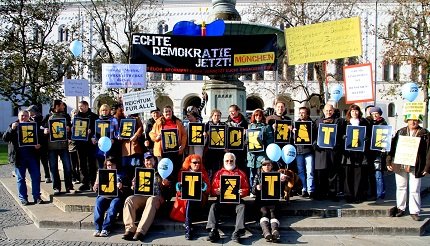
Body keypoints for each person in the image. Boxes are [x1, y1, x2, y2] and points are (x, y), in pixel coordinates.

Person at [386, 114, 430, 221]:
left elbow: (429, 152)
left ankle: (414, 211)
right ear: (407, 121)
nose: (412, 122)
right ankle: (400, 208)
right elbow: (392, 147)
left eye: (415, 120)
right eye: (410, 120)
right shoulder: (401, 132)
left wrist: (427, 167)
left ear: (418, 121)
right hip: (400, 164)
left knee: (415, 189)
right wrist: (388, 161)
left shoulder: (424, 134)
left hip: (416, 165)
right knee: (401, 187)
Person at [122, 152, 170, 241]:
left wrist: (165, 185)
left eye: (150, 159)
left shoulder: (161, 171)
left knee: (151, 199)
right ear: (144, 162)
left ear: (155, 161)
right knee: (129, 199)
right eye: (147, 160)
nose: (149, 162)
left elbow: (169, 192)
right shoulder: (140, 172)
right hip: (143, 196)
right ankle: (129, 229)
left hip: (156, 198)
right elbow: (133, 187)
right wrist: (133, 186)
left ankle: (140, 231)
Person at [206, 152, 250, 243]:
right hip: (222, 202)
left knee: (242, 206)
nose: (229, 162)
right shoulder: (218, 174)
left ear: (235, 161)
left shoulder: (241, 173)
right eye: (227, 160)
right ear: (223, 161)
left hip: (236, 203)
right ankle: (213, 231)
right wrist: (216, 191)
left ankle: (238, 232)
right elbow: (212, 189)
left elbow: (247, 189)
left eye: (231, 160)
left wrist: (243, 192)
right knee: (213, 206)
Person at [3, 110, 44, 205]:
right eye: (22, 116)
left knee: (36, 177)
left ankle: (37, 197)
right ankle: (23, 198)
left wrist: (39, 145)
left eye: (26, 116)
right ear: (18, 116)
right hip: (19, 157)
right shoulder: (13, 126)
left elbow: (41, 138)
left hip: (32, 156)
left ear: (28, 117)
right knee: (21, 178)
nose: (24, 118)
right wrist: (12, 129)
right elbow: (5, 138)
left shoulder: (34, 126)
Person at [93, 157, 131, 237]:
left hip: (117, 196)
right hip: (104, 196)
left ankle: (106, 228)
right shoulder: (102, 173)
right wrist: (95, 187)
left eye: (112, 165)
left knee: (113, 206)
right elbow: (96, 188)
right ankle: (97, 228)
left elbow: (129, 188)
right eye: (108, 165)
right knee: (98, 203)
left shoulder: (122, 173)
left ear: (116, 164)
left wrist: (122, 186)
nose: (110, 167)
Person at [175, 154, 210, 240]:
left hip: (200, 200)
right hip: (186, 201)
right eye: (194, 162)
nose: (197, 164)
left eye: (199, 163)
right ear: (189, 163)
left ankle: (188, 227)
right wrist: (179, 187)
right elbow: (178, 193)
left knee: (191, 200)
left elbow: (208, 189)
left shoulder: (203, 173)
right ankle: (188, 227)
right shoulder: (182, 173)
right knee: (189, 200)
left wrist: (204, 187)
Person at [313, 104, 344, 201]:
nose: (328, 112)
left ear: (333, 111)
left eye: (330, 110)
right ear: (323, 111)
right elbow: (313, 135)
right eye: (327, 110)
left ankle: (332, 194)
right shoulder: (317, 121)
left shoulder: (338, 121)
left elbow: (341, 135)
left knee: (332, 173)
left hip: (333, 151)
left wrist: (337, 144)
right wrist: (315, 144)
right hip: (320, 151)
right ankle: (321, 193)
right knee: (321, 173)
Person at [43, 99, 74, 195]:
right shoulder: (48, 117)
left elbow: (71, 127)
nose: (64, 107)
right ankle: (56, 187)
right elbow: (41, 127)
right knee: (53, 168)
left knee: (68, 167)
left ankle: (69, 187)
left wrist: (69, 128)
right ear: (56, 106)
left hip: (63, 146)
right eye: (62, 105)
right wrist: (44, 130)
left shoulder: (66, 116)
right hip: (51, 147)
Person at [149, 105, 187, 184]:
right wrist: (157, 137)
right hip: (162, 151)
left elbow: (184, 135)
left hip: (174, 151)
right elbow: (151, 133)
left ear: (172, 112)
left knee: (174, 170)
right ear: (163, 113)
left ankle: (174, 189)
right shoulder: (158, 122)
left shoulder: (177, 122)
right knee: (163, 170)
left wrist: (182, 146)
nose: (168, 113)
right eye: (166, 112)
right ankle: (163, 189)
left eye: (169, 111)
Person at [341, 104, 370, 204]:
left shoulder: (364, 122)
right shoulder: (345, 123)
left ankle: (358, 195)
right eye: (352, 111)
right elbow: (340, 134)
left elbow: (369, 134)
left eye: (356, 111)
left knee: (359, 174)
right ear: (350, 112)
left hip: (360, 152)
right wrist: (343, 137)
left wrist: (366, 138)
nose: (355, 113)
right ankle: (348, 195)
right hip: (348, 153)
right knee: (348, 174)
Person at [252, 158, 285, 242]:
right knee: (264, 212)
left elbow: (281, 191)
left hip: (273, 200)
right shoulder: (258, 175)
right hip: (261, 201)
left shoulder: (276, 174)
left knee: (273, 213)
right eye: (264, 165)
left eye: (268, 164)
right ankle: (266, 232)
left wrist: (282, 182)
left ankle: (275, 231)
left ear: (271, 166)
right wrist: (257, 188)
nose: (266, 166)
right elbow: (252, 190)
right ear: (261, 166)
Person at [75, 100, 99, 192]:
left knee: (91, 164)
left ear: (86, 106)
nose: (80, 108)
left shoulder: (93, 116)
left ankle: (92, 183)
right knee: (82, 164)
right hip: (80, 144)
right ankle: (84, 182)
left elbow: (97, 129)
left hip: (90, 144)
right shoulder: (77, 116)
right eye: (79, 106)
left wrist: (91, 132)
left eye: (81, 106)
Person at [246, 108, 274, 187]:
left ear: (262, 116)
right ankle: (252, 189)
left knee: (260, 172)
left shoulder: (266, 127)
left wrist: (263, 141)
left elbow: (271, 140)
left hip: (261, 153)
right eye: (256, 115)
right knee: (251, 173)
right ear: (253, 116)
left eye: (260, 115)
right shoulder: (250, 126)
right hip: (251, 153)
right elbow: (247, 139)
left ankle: (260, 189)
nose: (258, 117)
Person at [367, 106, 388, 202]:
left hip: (379, 152)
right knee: (371, 174)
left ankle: (380, 194)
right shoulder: (369, 123)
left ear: (380, 114)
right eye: (373, 114)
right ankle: (373, 193)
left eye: (376, 113)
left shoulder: (383, 123)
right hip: (369, 152)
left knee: (378, 174)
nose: (375, 115)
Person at [294, 106, 315, 198]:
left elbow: (315, 137)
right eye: (300, 112)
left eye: (303, 112)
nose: (301, 114)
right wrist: (293, 133)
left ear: (307, 114)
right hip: (299, 151)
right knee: (301, 171)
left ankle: (311, 190)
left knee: (310, 171)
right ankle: (304, 189)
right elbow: (292, 139)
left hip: (309, 150)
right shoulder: (296, 124)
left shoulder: (312, 124)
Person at [27, 105, 51, 183]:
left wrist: (40, 143)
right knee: (36, 162)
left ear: (34, 111)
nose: (28, 113)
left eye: (29, 111)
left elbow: (44, 132)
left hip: (42, 144)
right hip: (33, 145)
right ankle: (38, 176)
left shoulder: (42, 119)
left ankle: (47, 176)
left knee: (44, 161)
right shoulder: (28, 120)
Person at [92, 104, 119, 169]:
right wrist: (93, 139)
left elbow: (117, 132)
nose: (104, 112)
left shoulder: (113, 120)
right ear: (100, 111)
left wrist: (114, 139)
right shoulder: (97, 121)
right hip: (100, 146)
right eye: (103, 110)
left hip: (110, 146)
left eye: (106, 110)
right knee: (101, 165)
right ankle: (102, 178)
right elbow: (95, 133)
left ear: (109, 111)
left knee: (110, 164)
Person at [225, 105, 248, 172]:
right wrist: (225, 148)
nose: (231, 113)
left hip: (242, 150)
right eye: (230, 112)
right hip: (231, 150)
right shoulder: (227, 123)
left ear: (238, 111)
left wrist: (246, 134)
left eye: (233, 111)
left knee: (242, 168)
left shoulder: (245, 123)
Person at [204, 109, 226, 179]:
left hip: (219, 150)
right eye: (215, 115)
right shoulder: (207, 124)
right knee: (209, 168)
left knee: (217, 168)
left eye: (218, 115)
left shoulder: (224, 125)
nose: (216, 117)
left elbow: (227, 137)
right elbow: (203, 136)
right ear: (212, 116)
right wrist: (205, 134)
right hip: (210, 150)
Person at [121, 113, 144, 178]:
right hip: (125, 148)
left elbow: (141, 128)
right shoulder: (121, 118)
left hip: (135, 148)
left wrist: (136, 135)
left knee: (136, 168)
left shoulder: (136, 118)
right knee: (126, 169)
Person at [69, 109, 80, 184]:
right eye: (74, 113)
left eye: (76, 113)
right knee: (72, 164)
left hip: (78, 145)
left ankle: (79, 177)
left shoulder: (80, 123)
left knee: (79, 164)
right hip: (71, 146)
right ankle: (73, 178)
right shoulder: (69, 123)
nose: (75, 114)